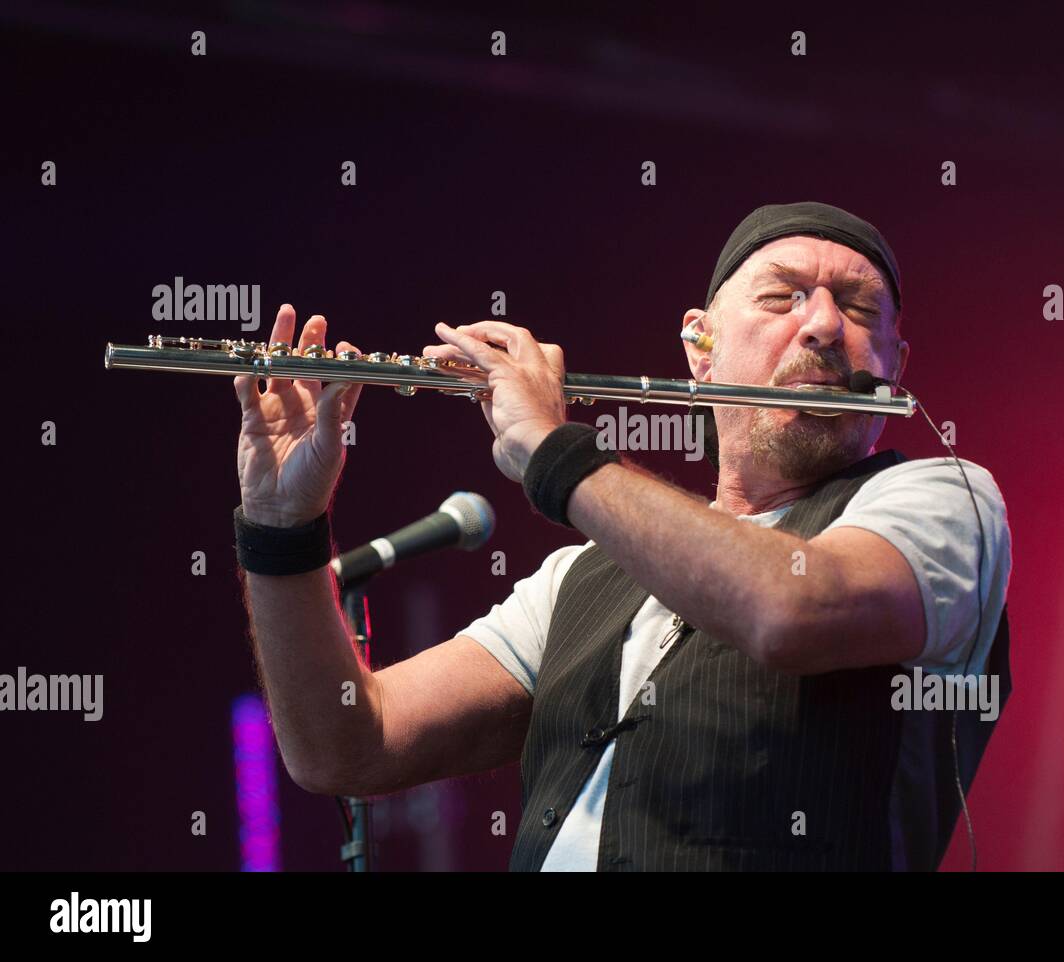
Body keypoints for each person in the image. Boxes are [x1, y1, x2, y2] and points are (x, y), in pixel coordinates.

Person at [233, 202, 1013, 871]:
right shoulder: (580, 580)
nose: (821, 325)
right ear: (699, 347)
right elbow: (345, 745)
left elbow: (790, 609)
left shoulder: (945, 503)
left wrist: (552, 448)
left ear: (894, 365)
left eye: (859, 308)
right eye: (782, 298)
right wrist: (282, 529)